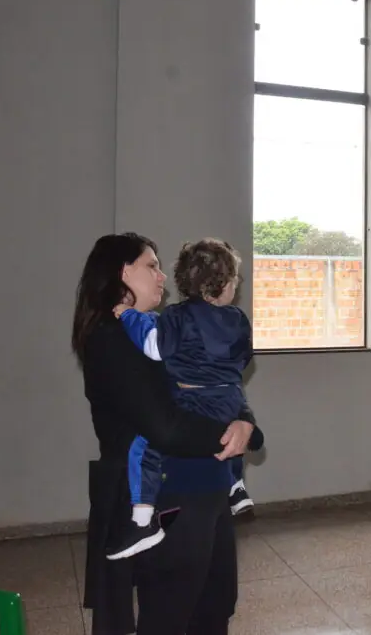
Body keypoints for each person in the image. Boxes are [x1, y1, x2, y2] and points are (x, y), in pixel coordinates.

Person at [72, 232, 264, 635]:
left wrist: (244, 421)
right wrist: (238, 435)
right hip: (168, 495)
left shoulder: (165, 328)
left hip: (206, 487)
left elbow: (218, 383)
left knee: (213, 607)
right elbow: (165, 428)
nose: (162, 277)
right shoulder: (112, 339)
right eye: (151, 266)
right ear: (123, 272)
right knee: (170, 612)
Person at [106, 238, 258, 561]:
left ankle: (142, 520)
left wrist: (129, 315)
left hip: (193, 402)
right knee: (231, 435)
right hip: (230, 395)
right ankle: (237, 487)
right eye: (235, 280)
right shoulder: (238, 319)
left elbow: (153, 347)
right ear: (223, 284)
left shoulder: (177, 316)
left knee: (144, 448)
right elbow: (245, 359)